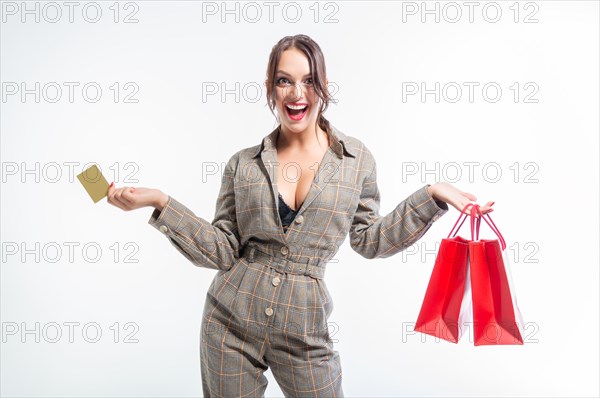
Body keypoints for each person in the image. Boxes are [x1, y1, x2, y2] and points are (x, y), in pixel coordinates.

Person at [107, 34, 493, 397]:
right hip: (227, 323)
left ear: (324, 86)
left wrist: (432, 196)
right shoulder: (242, 164)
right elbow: (222, 251)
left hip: (305, 330)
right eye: (284, 81)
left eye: (309, 81)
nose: (296, 94)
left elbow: (370, 241)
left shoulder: (356, 161)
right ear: (269, 87)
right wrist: (160, 203)